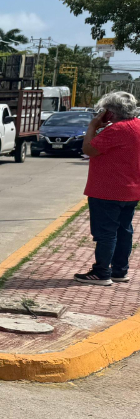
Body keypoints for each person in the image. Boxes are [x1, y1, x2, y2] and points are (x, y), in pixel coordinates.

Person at [76, 90, 140, 284]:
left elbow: (88, 149)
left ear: (110, 112)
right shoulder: (137, 125)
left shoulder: (116, 130)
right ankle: (119, 271)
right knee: (124, 231)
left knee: (105, 233)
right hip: (131, 189)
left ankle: (102, 271)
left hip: (107, 190)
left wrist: (93, 125)